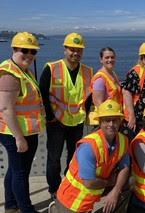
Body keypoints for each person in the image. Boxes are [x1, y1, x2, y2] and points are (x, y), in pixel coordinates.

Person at [39, 32, 93, 198]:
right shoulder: (52, 68)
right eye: (72, 49)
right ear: (65, 49)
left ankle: (69, 185)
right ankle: (54, 189)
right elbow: (43, 93)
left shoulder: (87, 71)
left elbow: (88, 96)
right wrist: (50, 117)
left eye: (79, 50)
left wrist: (84, 114)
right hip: (56, 122)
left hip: (76, 121)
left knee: (74, 156)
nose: (75, 53)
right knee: (54, 158)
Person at [55, 100, 131, 213]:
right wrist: (110, 182)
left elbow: (125, 167)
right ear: (100, 123)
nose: (111, 124)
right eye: (107, 120)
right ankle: (56, 209)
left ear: (119, 122)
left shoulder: (123, 140)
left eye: (114, 120)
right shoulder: (88, 147)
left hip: (97, 188)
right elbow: (88, 183)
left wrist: (115, 191)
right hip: (72, 200)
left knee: (130, 181)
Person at [0, 32, 45, 213]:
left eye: (33, 51)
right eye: (24, 50)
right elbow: (5, 108)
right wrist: (19, 138)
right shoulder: (9, 73)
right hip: (16, 133)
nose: (29, 55)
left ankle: (11, 205)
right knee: (21, 174)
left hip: (26, 130)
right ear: (14, 49)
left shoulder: (23, 70)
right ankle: (27, 210)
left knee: (14, 170)